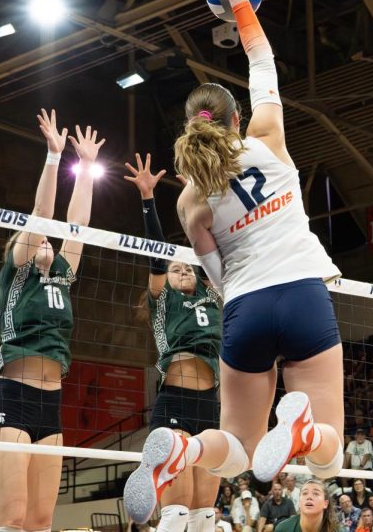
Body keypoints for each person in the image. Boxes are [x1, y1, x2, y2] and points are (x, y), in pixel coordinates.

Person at [128, 0, 344, 521]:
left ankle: (183, 448)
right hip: (300, 291)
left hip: (245, 310)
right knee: (330, 453)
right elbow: (263, 63)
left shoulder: (189, 198)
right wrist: (239, 7)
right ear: (236, 121)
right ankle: (301, 431)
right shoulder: (268, 139)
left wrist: (241, 303)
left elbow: (216, 276)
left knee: (238, 449)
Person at [0, 111, 103, 532]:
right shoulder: (17, 274)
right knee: (11, 520)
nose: (46, 240)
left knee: (40, 522)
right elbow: (42, 214)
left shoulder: (63, 276)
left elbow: (79, 225)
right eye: (37, 239)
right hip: (12, 399)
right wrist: (54, 158)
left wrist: (85, 168)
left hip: (51, 405)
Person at [127, 153, 222, 532]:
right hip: (176, 402)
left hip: (211, 406)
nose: (180, 268)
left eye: (186, 265)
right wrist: (148, 200)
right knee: (177, 511)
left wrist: (200, 201)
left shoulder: (213, 292)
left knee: (205, 515)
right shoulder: (163, 298)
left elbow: (218, 245)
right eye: (174, 267)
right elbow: (156, 257)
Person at [274, 479, 338, 532]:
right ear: (299, 502)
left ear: (325, 503)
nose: (309, 497)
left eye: (316, 493)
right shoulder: (283, 529)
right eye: (305, 493)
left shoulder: (336, 530)